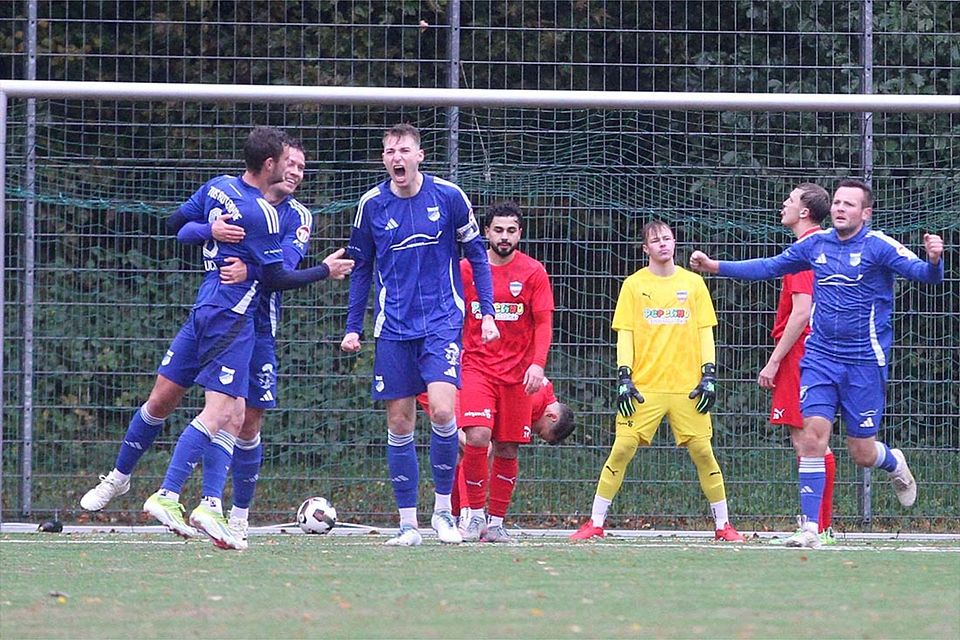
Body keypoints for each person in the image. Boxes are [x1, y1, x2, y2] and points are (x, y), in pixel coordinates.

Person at [93, 127, 351, 550]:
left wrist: (249, 269)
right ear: (272, 163)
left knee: (242, 419)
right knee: (201, 408)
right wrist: (211, 232)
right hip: (228, 314)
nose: (296, 173)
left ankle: (229, 514)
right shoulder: (240, 202)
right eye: (291, 164)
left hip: (250, 321)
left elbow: (276, 270)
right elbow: (184, 231)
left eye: (303, 168)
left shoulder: (294, 216)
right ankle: (155, 489)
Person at [690, 178, 945, 549]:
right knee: (812, 439)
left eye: (849, 204)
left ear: (865, 213)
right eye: (837, 202)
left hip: (864, 363)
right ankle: (811, 528)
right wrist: (716, 266)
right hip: (821, 357)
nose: (840, 208)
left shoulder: (880, 246)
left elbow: (926, 277)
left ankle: (892, 462)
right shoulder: (816, 244)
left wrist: (935, 260)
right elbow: (769, 266)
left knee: (861, 452)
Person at [340, 123, 499, 547]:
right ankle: (407, 523)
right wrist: (353, 326)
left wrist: (486, 311)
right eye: (390, 151)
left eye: (404, 150)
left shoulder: (448, 197)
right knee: (399, 420)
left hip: (443, 323)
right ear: (385, 159)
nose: (397, 157)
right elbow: (360, 270)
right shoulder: (371, 205)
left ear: (420, 155)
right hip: (393, 327)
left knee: (445, 413)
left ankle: (444, 512)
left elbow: (477, 257)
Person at [571, 220, 745, 542]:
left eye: (667, 238)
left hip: (687, 388)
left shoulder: (693, 284)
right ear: (645, 249)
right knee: (622, 447)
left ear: (674, 243)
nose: (663, 244)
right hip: (643, 388)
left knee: (704, 452)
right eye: (656, 240)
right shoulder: (634, 286)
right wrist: (624, 377)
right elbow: (626, 334)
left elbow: (706, 332)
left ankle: (723, 526)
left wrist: (709, 374)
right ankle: (595, 522)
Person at [456, 201, 555, 543]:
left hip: (517, 376)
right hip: (476, 367)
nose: (504, 236)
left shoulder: (533, 272)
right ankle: (473, 515)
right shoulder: (467, 270)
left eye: (511, 230)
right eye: (498, 230)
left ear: (519, 234)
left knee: (508, 448)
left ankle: (495, 523)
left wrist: (537, 364)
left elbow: (543, 323)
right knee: (478, 437)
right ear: (486, 232)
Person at [759, 183, 838, 547]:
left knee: (808, 442)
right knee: (814, 442)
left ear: (804, 212)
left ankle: (816, 528)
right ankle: (819, 526)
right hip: (814, 350)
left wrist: (774, 362)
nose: (783, 205)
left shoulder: (807, 249)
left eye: (789, 200)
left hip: (802, 353)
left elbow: (803, 310)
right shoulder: (822, 245)